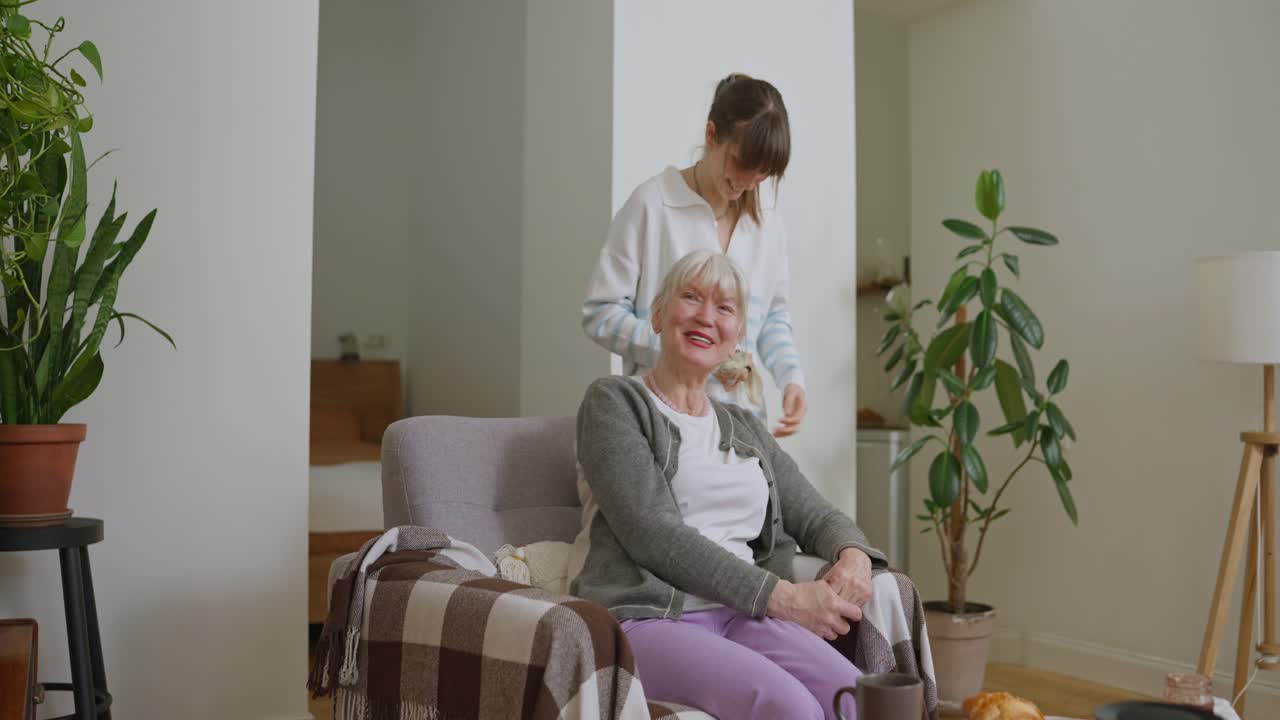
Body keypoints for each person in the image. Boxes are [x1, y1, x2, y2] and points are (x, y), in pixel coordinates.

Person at [569, 250, 887, 720]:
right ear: (657, 315)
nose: (705, 316)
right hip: (652, 618)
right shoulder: (615, 402)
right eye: (691, 297)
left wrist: (855, 555)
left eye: (725, 307)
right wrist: (783, 598)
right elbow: (653, 533)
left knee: (861, 699)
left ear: (737, 335)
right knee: (794, 710)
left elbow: (815, 513)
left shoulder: (744, 425)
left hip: (743, 614)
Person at [581, 73, 808, 437]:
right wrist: (685, 354)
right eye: (738, 163)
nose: (746, 183)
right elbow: (600, 313)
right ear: (711, 135)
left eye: (760, 175)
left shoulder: (767, 224)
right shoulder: (653, 205)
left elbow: (772, 317)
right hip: (662, 425)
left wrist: (791, 378)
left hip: (743, 429)